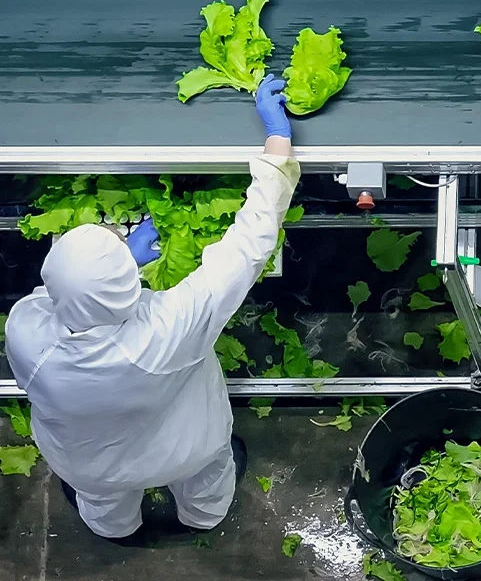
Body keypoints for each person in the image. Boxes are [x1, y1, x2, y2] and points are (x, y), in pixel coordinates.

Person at [5, 75, 299, 542]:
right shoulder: (169, 328)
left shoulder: (24, 330)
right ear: (127, 284)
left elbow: (66, 293)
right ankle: (202, 518)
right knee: (207, 486)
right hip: (187, 449)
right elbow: (249, 244)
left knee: (102, 501)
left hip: (86, 463)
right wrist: (276, 138)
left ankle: (114, 529)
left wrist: (118, 261)